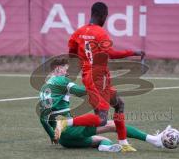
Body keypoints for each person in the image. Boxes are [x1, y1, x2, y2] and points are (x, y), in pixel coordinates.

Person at [56, 2, 145, 152]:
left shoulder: (78, 32)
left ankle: (123, 143)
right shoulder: (100, 33)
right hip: (97, 79)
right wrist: (133, 52)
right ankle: (66, 123)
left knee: (119, 105)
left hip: (94, 78)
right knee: (102, 119)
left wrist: (71, 72)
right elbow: (111, 53)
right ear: (103, 15)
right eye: (106, 16)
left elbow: (72, 53)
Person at [39, 58, 169, 152]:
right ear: (57, 69)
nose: (67, 73)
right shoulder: (61, 80)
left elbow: (42, 118)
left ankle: (105, 147)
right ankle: (154, 140)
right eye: (65, 70)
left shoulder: (44, 87)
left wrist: (53, 136)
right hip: (69, 130)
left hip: (64, 140)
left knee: (101, 140)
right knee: (111, 124)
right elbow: (83, 92)